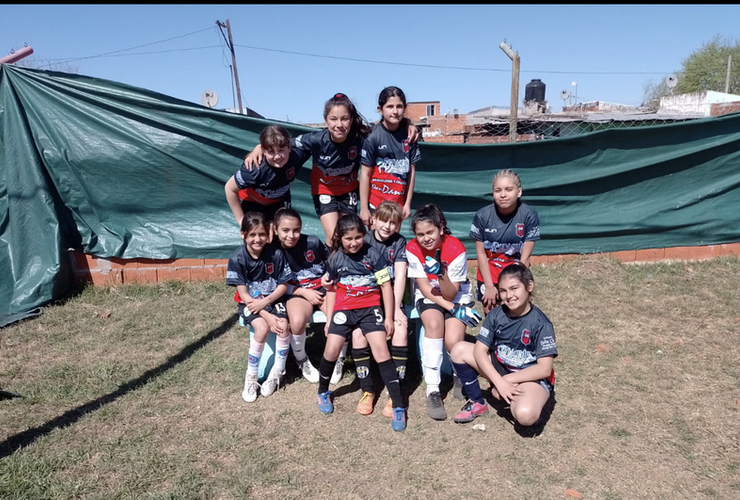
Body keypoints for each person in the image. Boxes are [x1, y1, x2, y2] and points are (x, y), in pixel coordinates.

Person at [243, 93, 419, 246]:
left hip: (349, 192)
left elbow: (387, 123)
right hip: (324, 191)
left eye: (344, 119)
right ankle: (332, 277)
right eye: (333, 119)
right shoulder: (315, 139)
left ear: (351, 119)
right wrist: (259, 147)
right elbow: (282, 142)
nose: (339, 124)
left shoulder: (361, 136)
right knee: (334, 236)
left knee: (347, 235)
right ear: (325, 120)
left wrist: (407, 123)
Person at [315, 213, 406, 432]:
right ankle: (323, 392)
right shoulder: (335, 258)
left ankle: (399, 405)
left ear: (364, 235)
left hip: (370, 310)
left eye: (358, 237)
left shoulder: (374, 255)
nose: (354, 242)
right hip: (344, 310)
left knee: (382, 352)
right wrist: (329, 319)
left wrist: (389, 316)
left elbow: (386, 287)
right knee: (331, 350)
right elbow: (331, 289)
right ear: (340, 238)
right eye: (348, 239)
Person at [449, 262, 557, 427]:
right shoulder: (495, 314)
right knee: (459, 350)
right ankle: (477, 403)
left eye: (514, 288)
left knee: (524, 415)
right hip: (502, 368)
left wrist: (506, 380)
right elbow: (479, 352)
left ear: (529, 286)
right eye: (503, 291)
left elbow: (544, 369)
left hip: (531, 377)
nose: (509, 295)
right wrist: (499, 382)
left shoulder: (541, 324)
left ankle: (526, 399)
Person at [406, 203, 481, 421]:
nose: (425, 238)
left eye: (430, 232)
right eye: (420, 234)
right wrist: (452, 310)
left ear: (440, 228)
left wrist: (441, 273)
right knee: (434, 324)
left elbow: (450, 293)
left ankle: (461, 376)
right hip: (430, 295)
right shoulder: (412, 248)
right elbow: (424, 287)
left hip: (455, 294)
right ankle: (432, 389)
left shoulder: (456, 249)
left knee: (453, 339)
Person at [350, 200, 409, 418]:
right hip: (367, 298)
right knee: (358, 336)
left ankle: (396, 392)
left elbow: (400, 275)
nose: (387, 226)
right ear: (373, 220)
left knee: (401, 330)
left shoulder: (399, 242)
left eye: (394, 223)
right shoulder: (362, 240)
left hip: (391, 297)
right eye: (383, 220)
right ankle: (368, 390)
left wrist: (395, 309)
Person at [226, 212, 293, 403]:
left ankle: (277, 372)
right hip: (249, 304)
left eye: (262, 234)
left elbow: (283, 285)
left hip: (273, 300)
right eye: (252, 234)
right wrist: (265, 312)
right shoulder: (237, 258)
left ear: (269, 234)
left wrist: (267, 302)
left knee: (283, 326)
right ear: (243, 234)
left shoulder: (276, 254)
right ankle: (251, 378)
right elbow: (244, 295)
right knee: (262, 328)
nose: (258, 239)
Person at [469, 169, 540, 314]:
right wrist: (489, 286)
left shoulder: (529, 215)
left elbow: (524, 258)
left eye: (509, 189)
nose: (503, 195)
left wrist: (516, 285)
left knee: (517, 313)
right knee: (492, 316)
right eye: (497, 190)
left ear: (518, 192)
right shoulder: (482, 216)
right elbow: (481, 254)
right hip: (489, 274)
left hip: (516, 271)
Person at [272, 207, 328, 384]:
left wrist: (327, 280)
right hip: (296, 292)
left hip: (323, 289)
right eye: (285, 230)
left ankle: (337, 359)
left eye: (296, 230)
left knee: (339, 318)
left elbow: (331, 265)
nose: (291, 235)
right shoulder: (273, 252)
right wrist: (304, 292)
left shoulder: (313, 242)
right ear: (275, 230)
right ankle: (301, 359)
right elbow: (277, 285)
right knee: (296, 322)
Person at [359, 86, 421, 226]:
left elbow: (411, 173)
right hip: (376, 206)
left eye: (399, 106)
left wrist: (407, 203)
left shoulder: (410, 136)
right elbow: (365, 174)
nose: (395, 111)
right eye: (390, 106)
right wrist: (363, 209)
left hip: (397, 206)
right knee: (375, 245)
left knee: (392, 246)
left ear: (405, 108)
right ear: (380, 109)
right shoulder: (372, 136)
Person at [225, 124, 300, 237]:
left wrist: (259, 146)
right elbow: (229, 189)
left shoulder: (297, 154)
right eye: (271, 152)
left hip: (280, 202)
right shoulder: (254, 169)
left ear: (289, 148)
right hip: (253, 204)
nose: (277, 156)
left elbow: (314, 139)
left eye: (280, 150)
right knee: (258, 237)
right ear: (264, 151)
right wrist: (241, 220)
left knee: (282, 234)